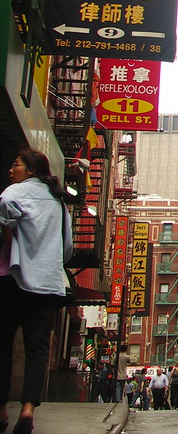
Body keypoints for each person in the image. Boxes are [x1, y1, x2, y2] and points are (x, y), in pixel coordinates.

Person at [0, 148, 74, 434]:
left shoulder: (16, 193)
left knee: (4, 347)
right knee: (38, 350)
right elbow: (66, 249)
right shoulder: (58, 202)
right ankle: (28, 409)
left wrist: (8, 231)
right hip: (47, 284)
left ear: (30, 171)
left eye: (15, 165)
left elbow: (5, 201)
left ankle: (3, 410)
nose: (11, 170)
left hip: (12, 279)